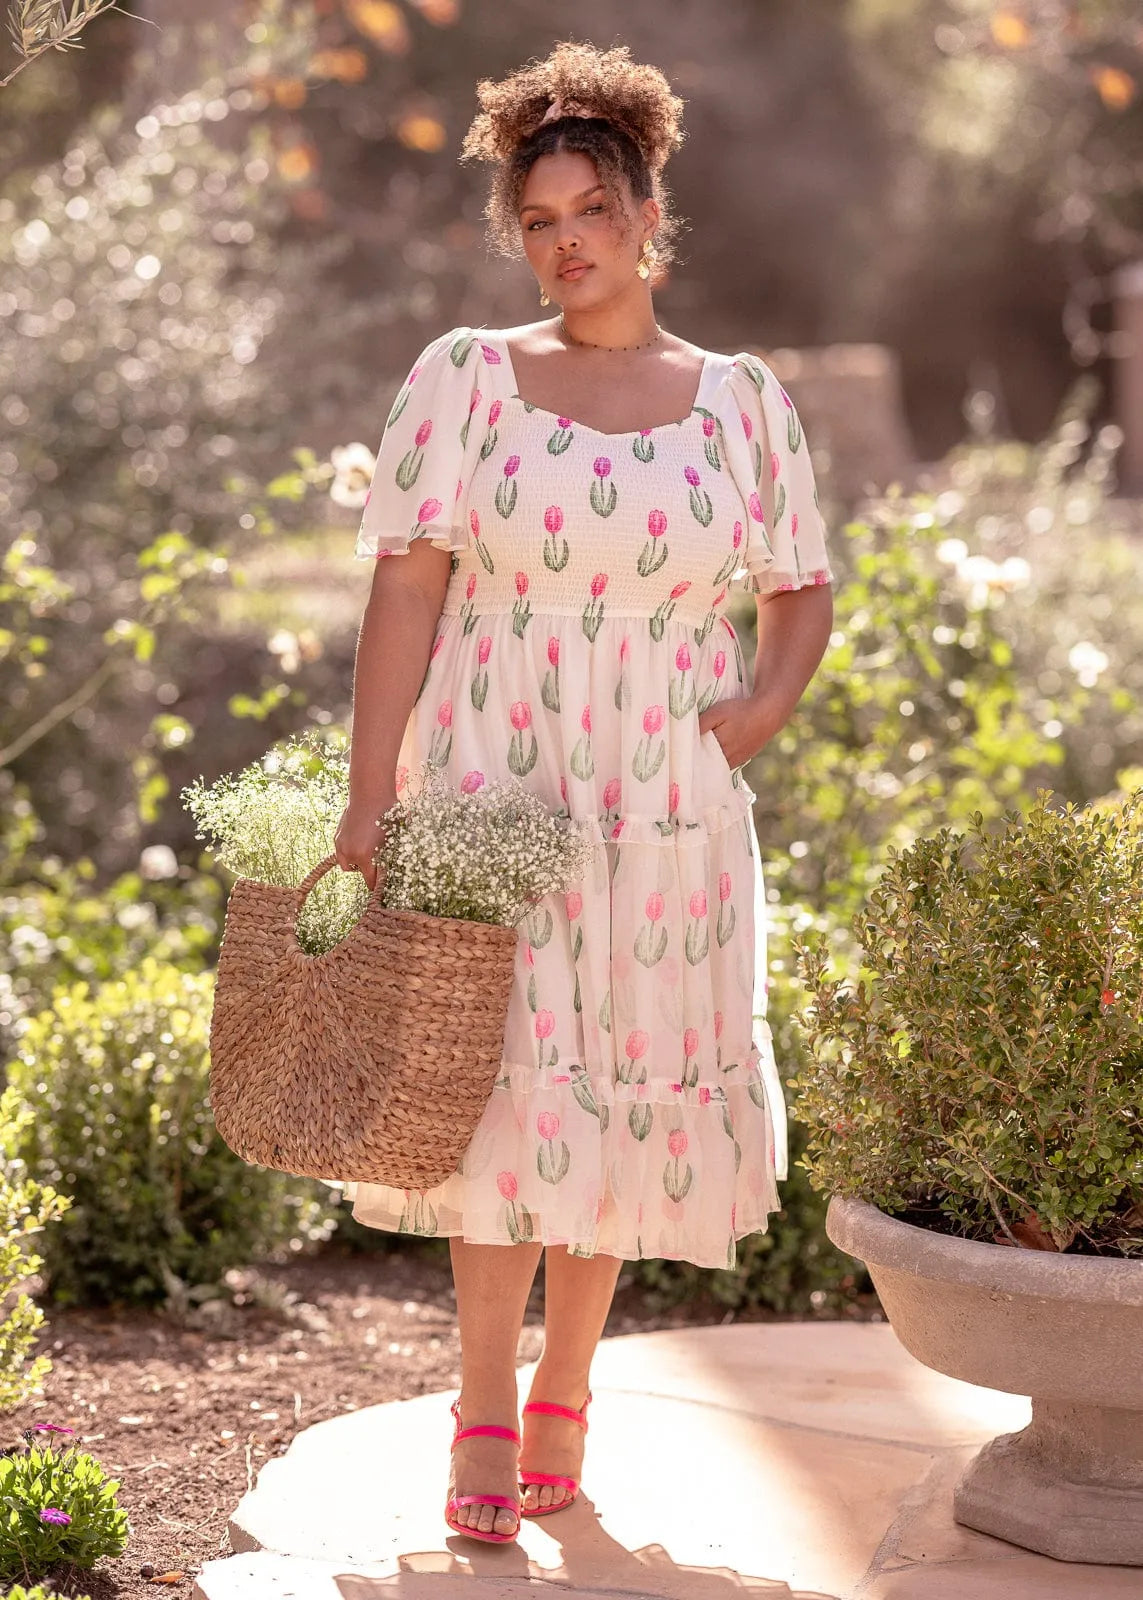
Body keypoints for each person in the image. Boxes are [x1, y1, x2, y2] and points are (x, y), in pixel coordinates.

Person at [333, 40, 834, 1546]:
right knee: (504, 1092)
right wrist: (373, 796)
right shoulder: (468, 381)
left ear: (647, 214)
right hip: (497, 774)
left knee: (614, 1084)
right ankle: (484, 1413)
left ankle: (569, 1390)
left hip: (668, 803)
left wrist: (753, 710)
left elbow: (800, 587)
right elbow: (404, 602)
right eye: (538, 221)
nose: (566, 244)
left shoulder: (741, 401)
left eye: (590, 212)